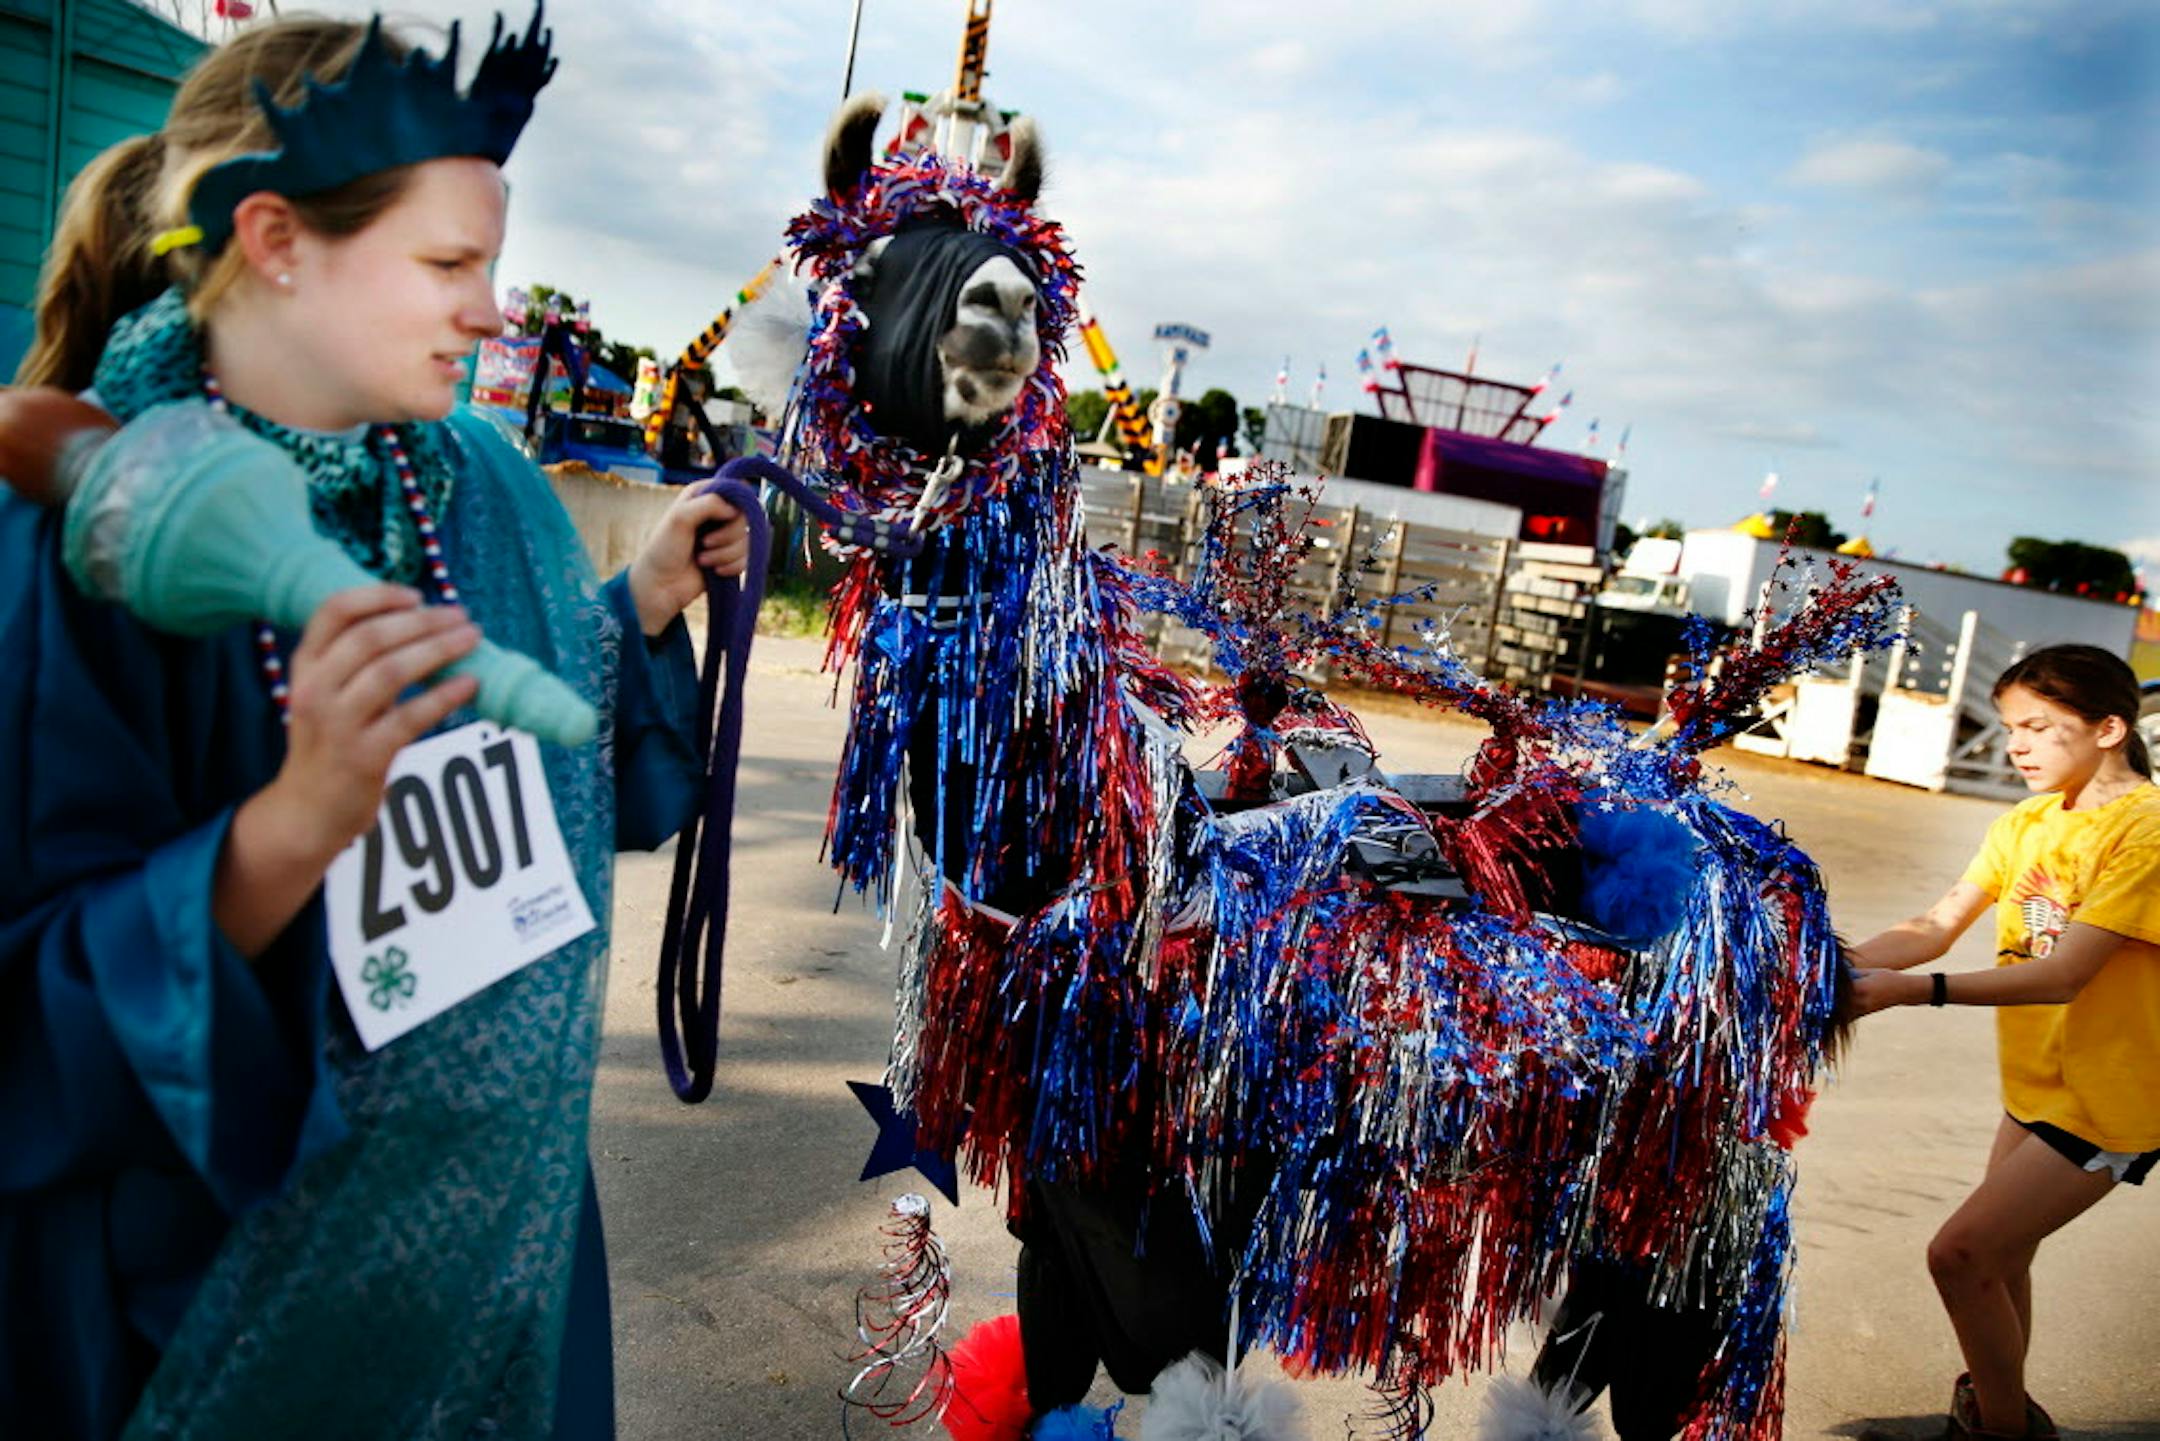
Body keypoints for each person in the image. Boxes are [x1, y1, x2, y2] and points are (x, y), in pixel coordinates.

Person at [0, 11, 746, 1437]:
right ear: (276, 240)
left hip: (505, 1271)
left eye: (495, 266)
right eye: (449, 264)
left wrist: (642, 599)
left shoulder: (486, 483)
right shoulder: (74, 555)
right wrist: (284, 831)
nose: (489, 312)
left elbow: (543, 736)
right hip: (235, 1313)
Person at [1850, 644, 2158, 1440]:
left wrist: (1914, 993)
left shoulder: (2147, 832)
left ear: (2109, 729)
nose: (2016, 745)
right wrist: (1809, 963)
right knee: (2003, 1257)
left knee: (1960, 1255)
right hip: (2037, 1084)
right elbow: (1932, 925)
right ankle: (2002, 1407)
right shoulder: (2027, 820)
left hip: (2113, 1100)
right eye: (2010, 727)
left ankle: (1999, 1426)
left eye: (2038, 727)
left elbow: (2065, 974)